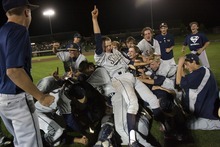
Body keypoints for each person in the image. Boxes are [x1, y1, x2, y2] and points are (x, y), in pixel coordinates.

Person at [91, 6, 160, 146]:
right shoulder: (100, 56)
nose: (109, 47)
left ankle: (166, 127)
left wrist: (147, 61)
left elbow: (132, 62)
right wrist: (94, 19)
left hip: (129, 76)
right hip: (119, 80)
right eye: (107, 45)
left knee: (153, 100)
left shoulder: (116, 51)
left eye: (110, 45)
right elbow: (98, 38)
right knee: (127, 115)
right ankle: (133, 141)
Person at [0, 1, 55, 147]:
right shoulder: (19, 30)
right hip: (17, 99)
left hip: (2, 99)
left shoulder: (2, 31)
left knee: (19, 142)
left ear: (7, 13)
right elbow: (13, 71)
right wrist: (41, 97)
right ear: (27, 12)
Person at [176, 53, 220, 130]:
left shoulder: (201, 72)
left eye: (186, 64)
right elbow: (184, 80)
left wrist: (179, 65)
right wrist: (182, 67)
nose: (185, 67)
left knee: (185, 125)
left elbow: (178, 82)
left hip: (208, 115)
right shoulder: (201, 70)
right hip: (208, 104)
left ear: (193, 62)